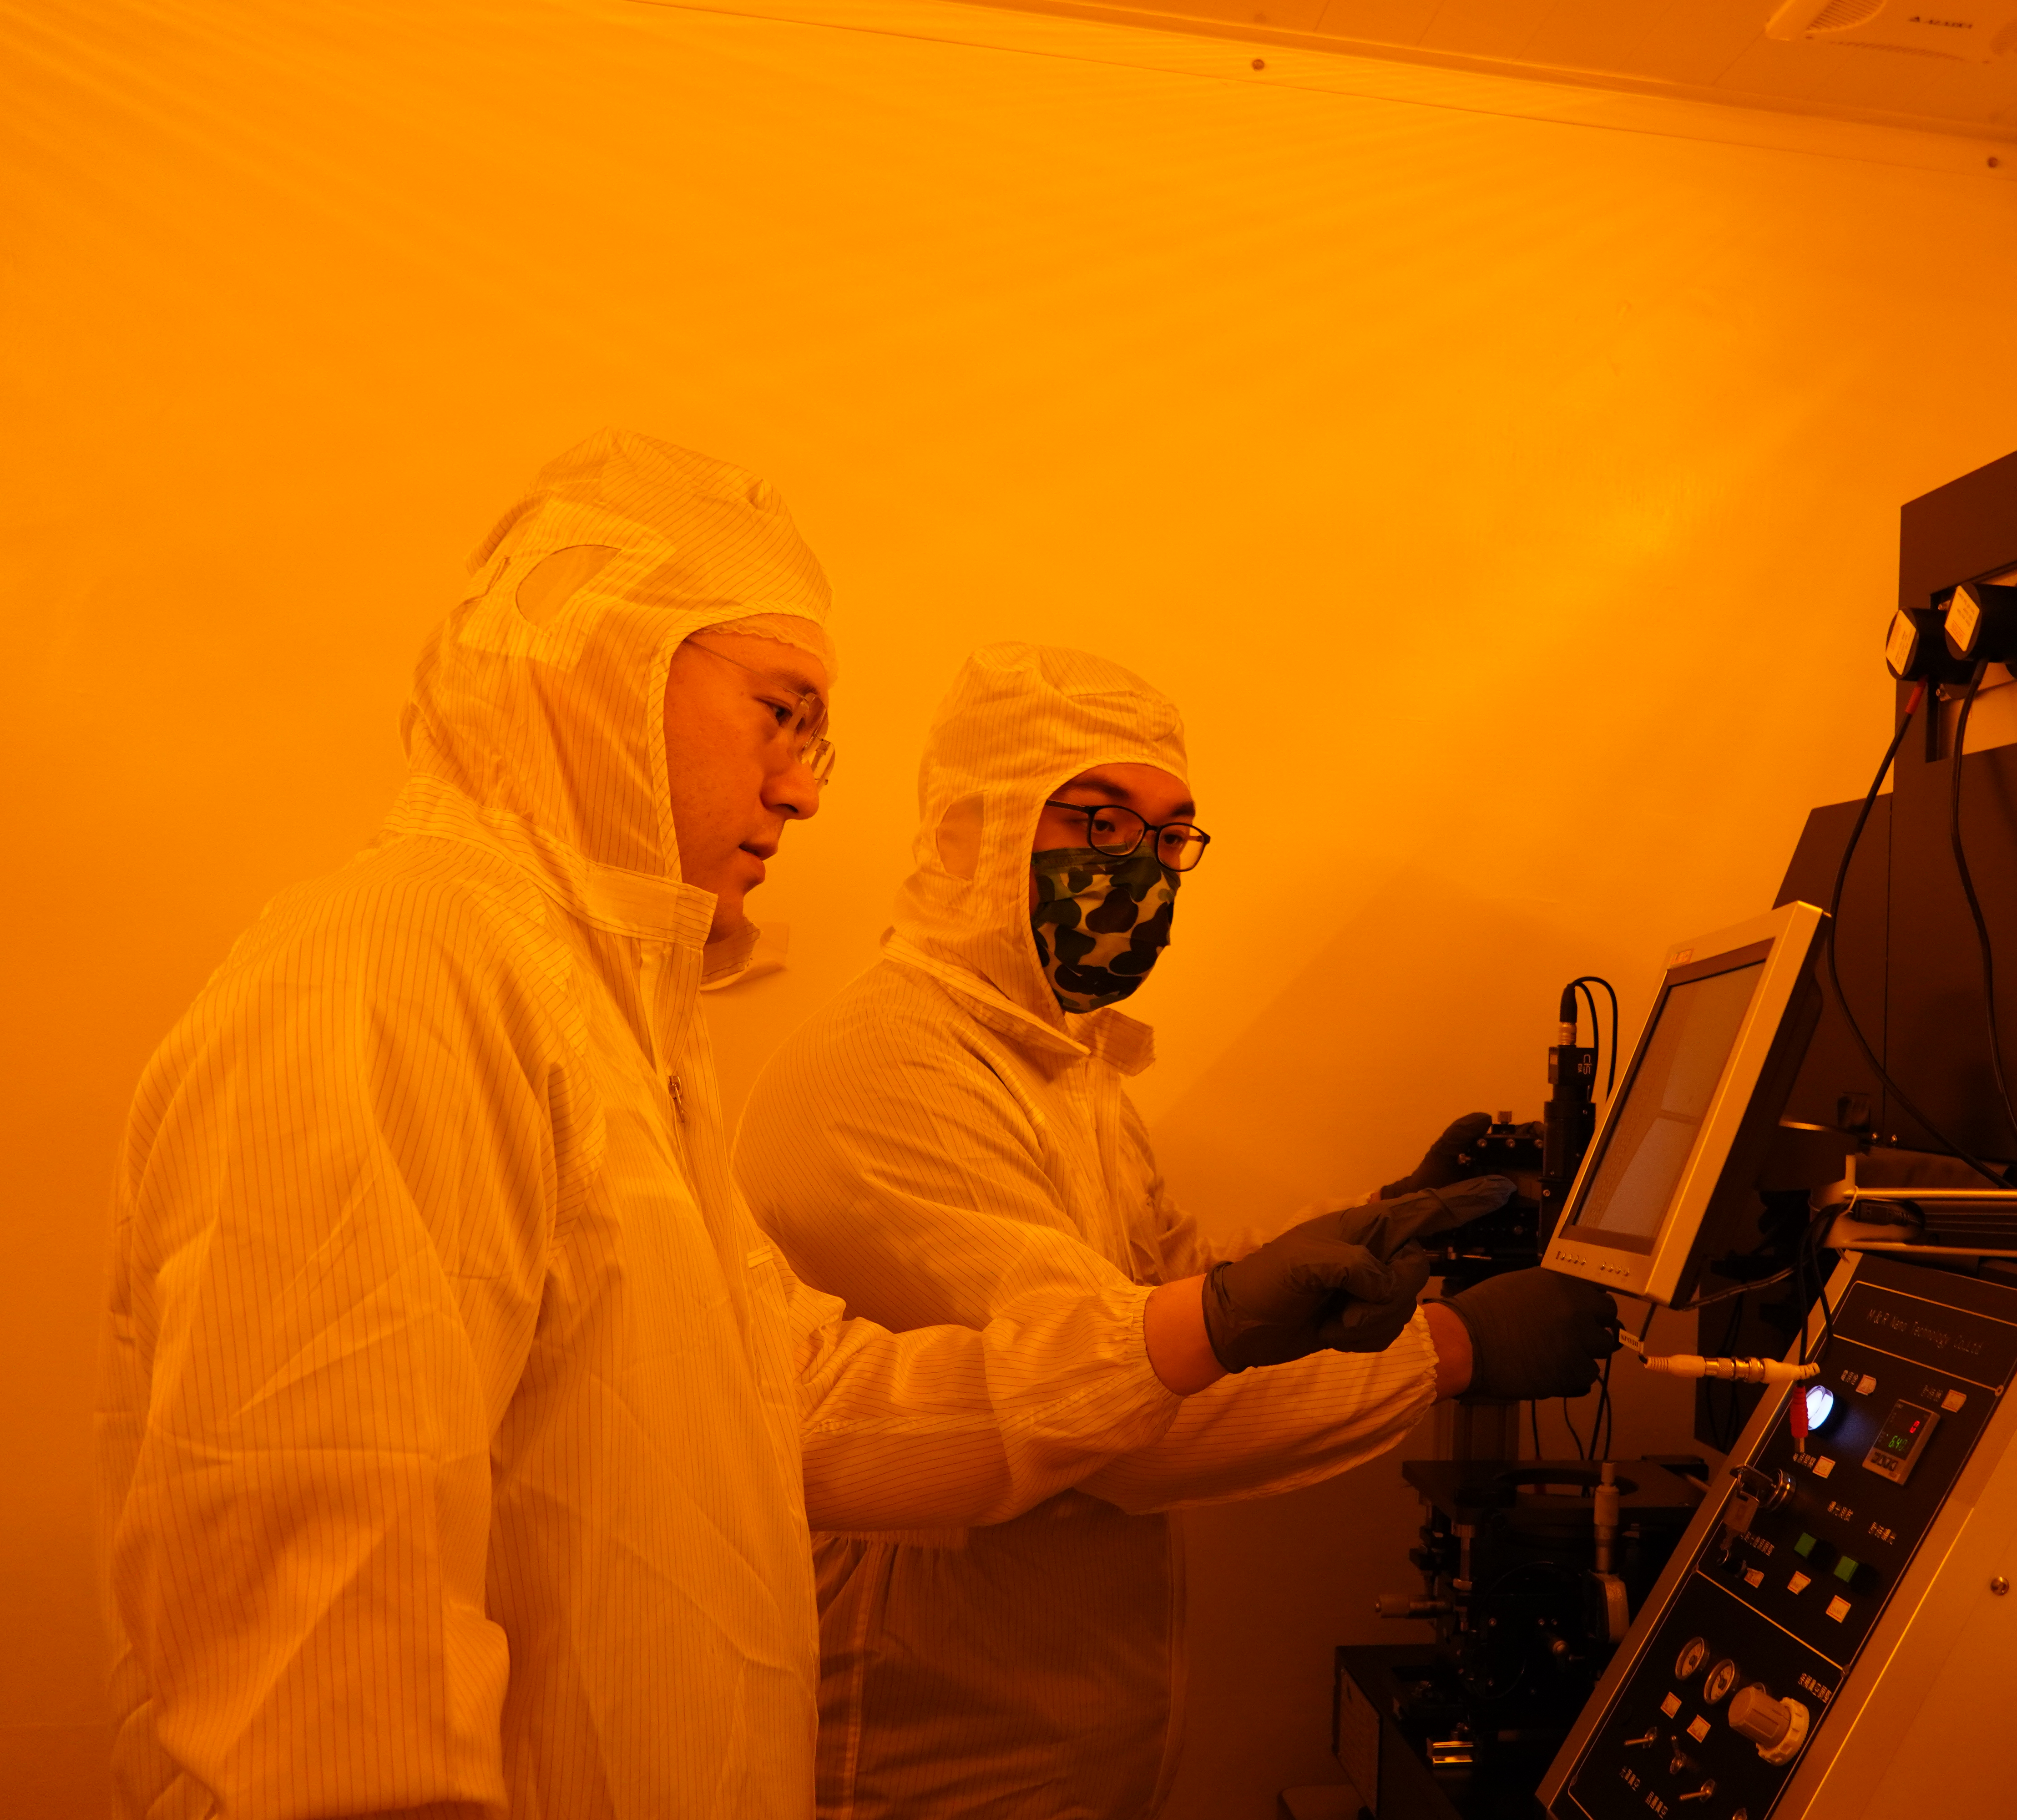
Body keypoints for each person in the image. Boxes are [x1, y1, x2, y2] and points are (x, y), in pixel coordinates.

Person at [95, 435, 1473, 1820]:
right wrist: (1445, 1350)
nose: (809, 789)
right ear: (601, 670)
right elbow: (325, 1676)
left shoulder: (605, 1024)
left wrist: (1211, 1323)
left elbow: (803, 1405)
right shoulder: (391, 981)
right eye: (781, 711)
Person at [733, 643, 1624, 1820]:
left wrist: (1370, 1229)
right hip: (930, 1751)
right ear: (973, 834)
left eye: (1165, 839)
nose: (1140, 872)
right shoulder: (896, 1071)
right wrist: (1451, 1349)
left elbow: (1164, 1290)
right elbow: (1123, 1410)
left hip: (1055, 1727)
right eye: (1097, 826)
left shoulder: (1061, 1063)